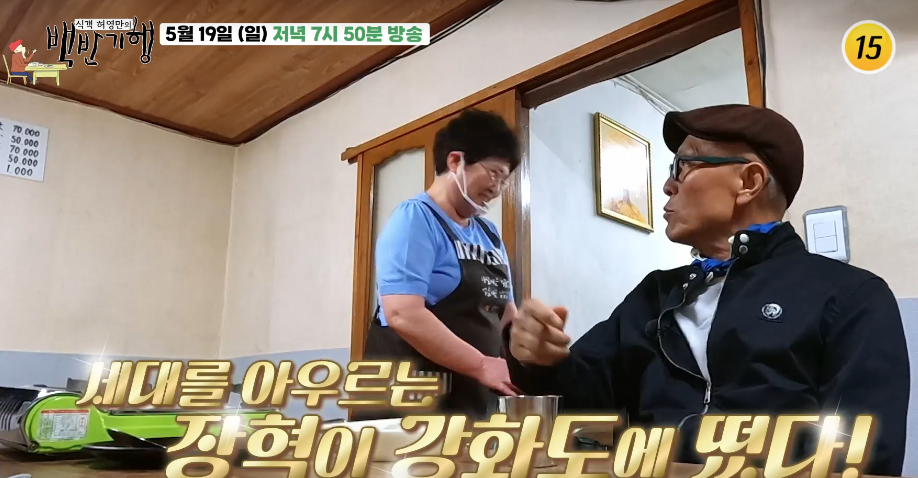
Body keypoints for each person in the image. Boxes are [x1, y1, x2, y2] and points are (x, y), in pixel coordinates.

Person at [506, 104, 909, 476]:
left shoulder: (850, 296)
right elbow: (586, 407)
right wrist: (540, 359)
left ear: (749, 182)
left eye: (683, 166)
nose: (668, 185)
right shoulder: (654, 294)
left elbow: (864, 455)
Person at [355, 108, 522, 421]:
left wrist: (530, 357)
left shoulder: (489, 234)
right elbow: (402, 313)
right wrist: (482, 364)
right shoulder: (415, 219)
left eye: (504, 180)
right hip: (408, 400)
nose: (497, 189)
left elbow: (506, 313)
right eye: (494, 173)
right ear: (455, 161)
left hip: (468, 399)